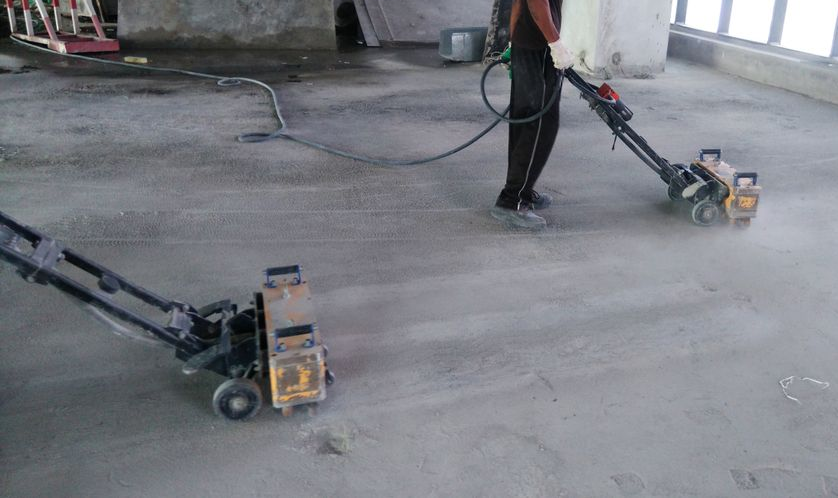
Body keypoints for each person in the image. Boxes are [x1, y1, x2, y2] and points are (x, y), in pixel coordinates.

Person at [490, 0, 575, 230]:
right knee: (538, 124)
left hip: (529, 45)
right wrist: (556, 43)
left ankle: (521, 192)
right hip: (537, 48)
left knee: (528, 121)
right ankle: (512, 200)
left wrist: (512, 40)